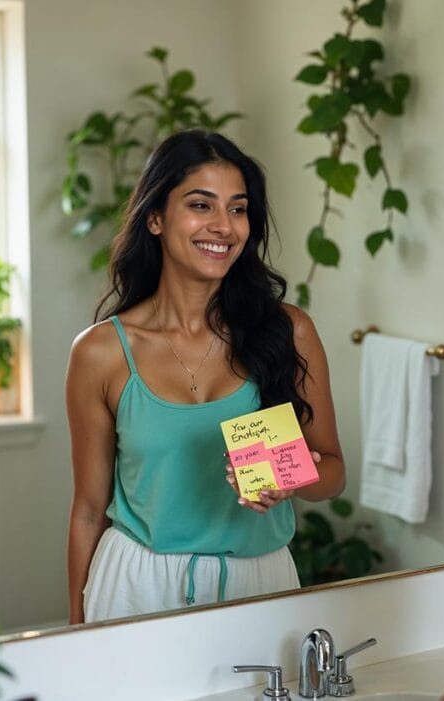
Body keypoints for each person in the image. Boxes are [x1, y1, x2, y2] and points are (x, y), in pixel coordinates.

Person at [65, 130, 346, 624]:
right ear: (155, 217)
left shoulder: (288, 331)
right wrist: (76, 632)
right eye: (201, 205)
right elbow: (89, 509)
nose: (224, 227)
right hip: (136, 585)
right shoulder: (101, 352)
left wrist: (290, 476)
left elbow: (334, 472)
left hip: (262, 582)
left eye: (238, 209)